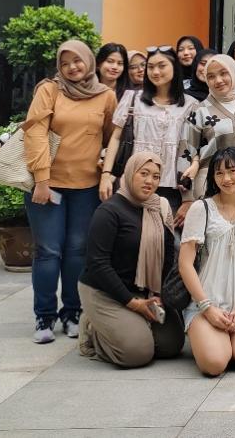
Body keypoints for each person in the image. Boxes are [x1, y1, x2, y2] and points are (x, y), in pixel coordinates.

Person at [23, 40, 118, 343]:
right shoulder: (49, 90)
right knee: (48, 251)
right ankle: (44, 316)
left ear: (88, 61)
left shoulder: (106, 95)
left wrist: (105, 168)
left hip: (86, 187)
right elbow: (35, 132)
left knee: (78, 251)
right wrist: (41, 179)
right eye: (64, 64)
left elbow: (110, 138)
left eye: (77, 61)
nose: (71, 68)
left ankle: (72, 313)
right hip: (47, 185)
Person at [77, 152, 185, 367]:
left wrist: (158, 294)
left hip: (146, 291)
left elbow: (168, 256)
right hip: (105, 292)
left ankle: (131, 326)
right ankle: (92, 329)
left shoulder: (159, 208)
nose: (149, 181)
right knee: (136, 353)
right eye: (143, 173)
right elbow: (97, 264)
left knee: (171, 345)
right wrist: (132, 303)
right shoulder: (109, 211)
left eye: (155, 176)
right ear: (129, 173)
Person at [178, 146, 235, 377]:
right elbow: (185, 264)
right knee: (215, 363)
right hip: (206, 302)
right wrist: (207, 308)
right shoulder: (201, 208)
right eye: (219, 173)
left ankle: (232, 336)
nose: (226, 178)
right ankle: (209, 336)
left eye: (232, 171)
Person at [102, 48, 198, 213]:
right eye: (151, 67)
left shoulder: (191, 104)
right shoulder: (133, 99)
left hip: (172, 187)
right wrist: (106, 174)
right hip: (133, 183)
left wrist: (188, 194)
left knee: (167, 229)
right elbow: (116, 138)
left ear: (175, 67)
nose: (155, 72)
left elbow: (194, 145)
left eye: (162, 66)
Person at [184, 54, 235, 220]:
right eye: (211, 76)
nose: (218, 80)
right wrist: (187, 197)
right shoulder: (199, 110)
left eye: (223, 73)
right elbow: (187, 151)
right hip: (211, 186)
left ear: (233, 72)